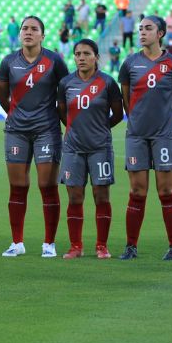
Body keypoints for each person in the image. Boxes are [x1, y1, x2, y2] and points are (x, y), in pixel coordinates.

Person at [0, 16, 68, 258]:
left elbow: (64, 93)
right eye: (25, 28)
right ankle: (17, 242)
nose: (28, 32)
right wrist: (18, 117)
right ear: (20, 34)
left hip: (47, 130)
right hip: (16, 131)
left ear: (42, 35)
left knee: (47, 186)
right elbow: (3, 95)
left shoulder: (54, 61)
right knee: (18, 186)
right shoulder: (8, 62)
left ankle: (49, 243)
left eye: (33, 29)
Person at [117, 16, 172, 261]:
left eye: (148, 28)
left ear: (160, 33)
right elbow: (126, 99)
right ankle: (131, 246)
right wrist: (137, 120)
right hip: (136, 134)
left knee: (166, 190)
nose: (142, 32)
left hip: (165, 135)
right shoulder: (129, 63)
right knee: (137, 191)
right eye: (140, 29)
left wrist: (166, 121)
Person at [57, 39, 123, 259]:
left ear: (96, 57)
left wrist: (100, 129)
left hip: (100, 148)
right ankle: (76, 246)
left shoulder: (107, 83)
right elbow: (62, 112)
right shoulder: (66, 83)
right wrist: (76, 129)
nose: (81, 58)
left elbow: (117, 114)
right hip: (73, 149)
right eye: (77, 54)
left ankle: (101, 246)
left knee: (101, 196)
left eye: (86, 53)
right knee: (75, 197)